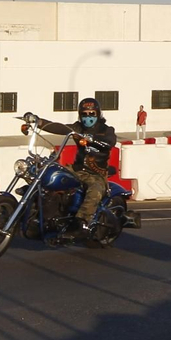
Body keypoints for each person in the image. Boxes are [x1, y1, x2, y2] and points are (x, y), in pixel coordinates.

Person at [23, 97, 117, 237]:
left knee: (95, 190)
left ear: (98, 114)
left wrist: (95, 140)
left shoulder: (106, 130)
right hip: (76, 169)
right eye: (84, 114)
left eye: (91, 113)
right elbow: (60, 127)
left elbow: (110, 141)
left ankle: (81, 223)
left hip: (96, 173)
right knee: (49, 174)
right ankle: (40, 214)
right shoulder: (77, 128)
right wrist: (39, 122)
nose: (88, 117)